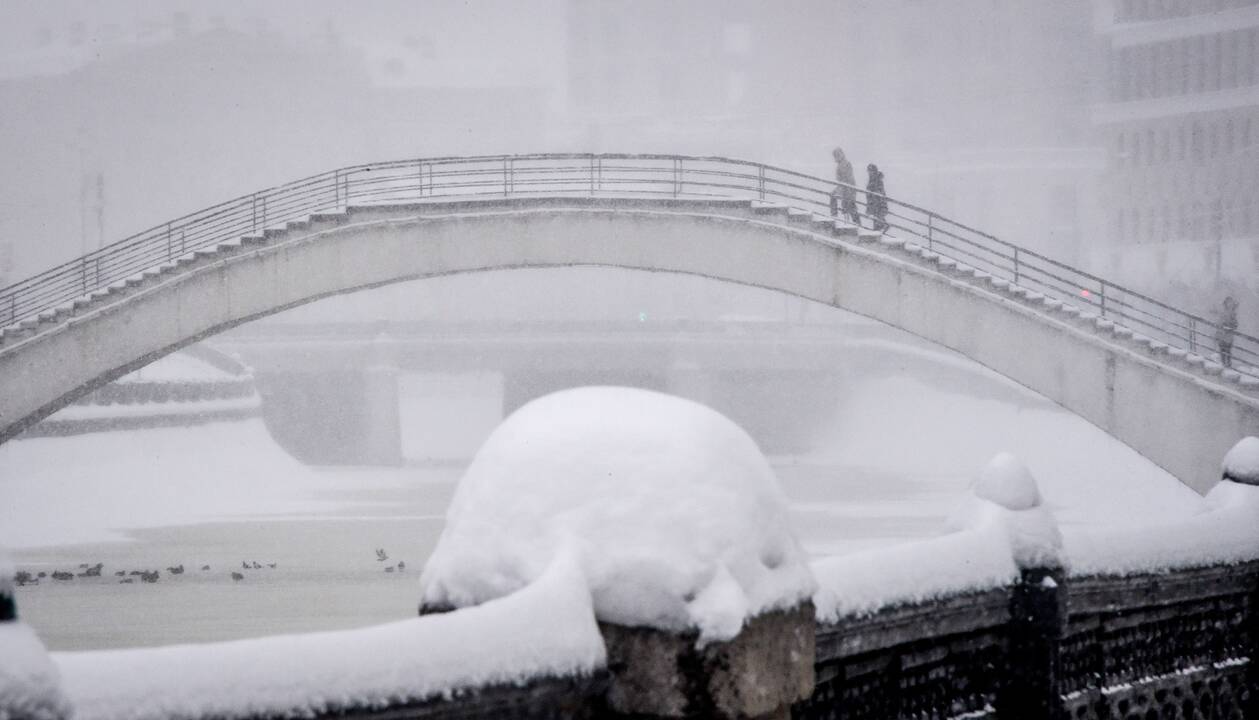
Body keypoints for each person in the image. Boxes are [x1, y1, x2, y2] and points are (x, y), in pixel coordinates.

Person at [829, 147, 860, 225]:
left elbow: (847, 178)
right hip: (844, 187)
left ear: (841, 154)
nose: (836, 157)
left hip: (847, 188)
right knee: (849, 206)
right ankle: (854, 223)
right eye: (835, 155)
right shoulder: (841, 164)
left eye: (837, 155)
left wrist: (845, 188)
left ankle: (835, 215)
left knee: (849, 206)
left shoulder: (845, 164)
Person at [1216, 295, 1239, 368]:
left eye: (1230, 303)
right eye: (1227, 303)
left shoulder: (1232, 313)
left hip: (1228, 335)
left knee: (1227, 351)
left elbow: (1235, 324)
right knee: (1223, 350)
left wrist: (1229, 326)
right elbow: (1219, 322)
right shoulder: (1224, 312)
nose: (1229, 305)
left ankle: (1227, 365)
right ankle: (1224, 364)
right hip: (1222, 334)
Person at [865, 163, 888, 231]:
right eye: (868, 171)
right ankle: (883, 226)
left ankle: (884, 225)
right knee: (876, 222)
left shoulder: (877, 180)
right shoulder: (872, 180)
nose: (869, 172)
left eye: (871, 171)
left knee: (877, 223)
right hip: (874, 205)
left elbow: (880, 193)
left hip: (878, 205)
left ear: (874, 171)